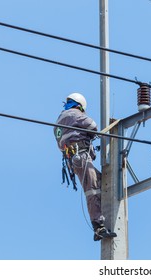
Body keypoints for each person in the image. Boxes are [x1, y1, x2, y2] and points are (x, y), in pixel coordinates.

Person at [54, 92, 116, 241]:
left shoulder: (58, 122)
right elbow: (93, 126)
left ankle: (101, 214)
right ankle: (98, 226)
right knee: (92, 189)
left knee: (101, 181)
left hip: (74, 160)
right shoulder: (75, 114)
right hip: (81, 156)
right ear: (80, 105)